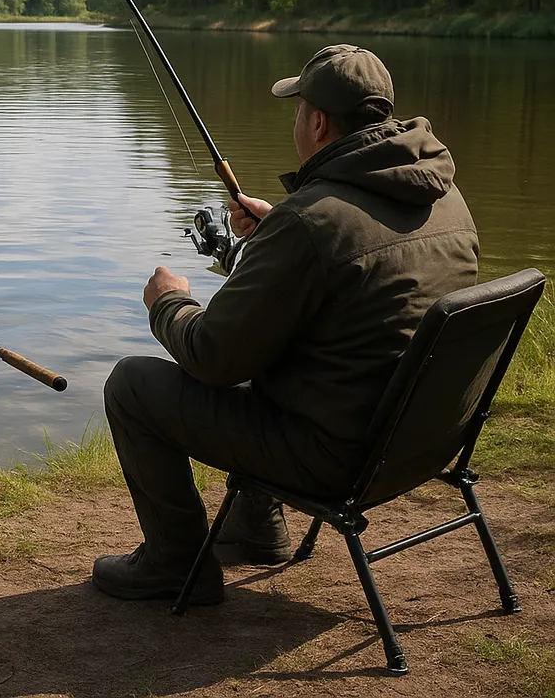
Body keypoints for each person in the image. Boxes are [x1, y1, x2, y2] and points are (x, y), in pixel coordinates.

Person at [91, 43, 479, 604]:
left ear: (318, 122)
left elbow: (212, 356)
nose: (296, 120)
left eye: (299, 109)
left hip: (336, 457)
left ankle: (174, 565)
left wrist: (168, 303)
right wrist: (280, 231)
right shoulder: (446, 198)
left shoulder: (313, 224)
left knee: (132, 384)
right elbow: (362, 267)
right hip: (421, 443)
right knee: (278, 339)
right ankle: (256, 526)